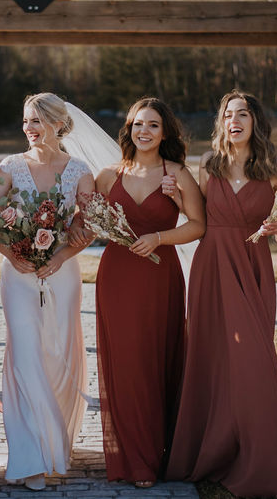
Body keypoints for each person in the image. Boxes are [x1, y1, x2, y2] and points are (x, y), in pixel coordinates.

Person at [166, 91, 277, 497]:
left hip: (254, 266)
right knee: (212, 358)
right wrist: (175, 197)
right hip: (212, 267)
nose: (235, 120)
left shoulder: (276, 168)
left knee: (257, 364)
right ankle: (213, 451)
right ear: (222, 122)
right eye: (228, 114)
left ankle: (265, 460)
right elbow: (200, 219)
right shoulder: (208, 165)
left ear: (256, 121)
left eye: (243, 113)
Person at [0, 92, 93, 491]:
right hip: (19, 274)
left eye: (38, 121)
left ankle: (53, 442)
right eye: (26, 121)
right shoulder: (8, 167)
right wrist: (11, 253)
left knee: (57, 356)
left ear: (59, 124)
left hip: (62, 273)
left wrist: (62, 254)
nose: (30, 128)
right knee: (24, 355)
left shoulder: (79, 171)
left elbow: (88, 225)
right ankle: (28, 459)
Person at [93, 98, 204, 487]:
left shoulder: (178, 175)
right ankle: (131, 456)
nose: (144, 131)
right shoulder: (108, 175)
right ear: (128, 129)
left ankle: (158, 453)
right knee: (125, 365)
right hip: (117, 277)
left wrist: (159, 237)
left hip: (160, 277)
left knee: (154, 362)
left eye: (153, 125)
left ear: (165, 132)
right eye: (138, 124)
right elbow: (88, 222)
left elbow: (198, 225)